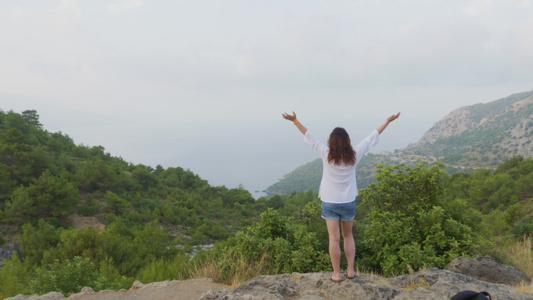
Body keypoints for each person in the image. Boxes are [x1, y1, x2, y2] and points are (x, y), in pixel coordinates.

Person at [282, 111, 400, 282]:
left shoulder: (326, 154)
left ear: (332, 141)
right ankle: (350, 271)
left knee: (333, 238)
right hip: (348, 202)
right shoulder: (354, 154)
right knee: (348, 236)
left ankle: (336, 274)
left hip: (330, 202)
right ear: (347, 141)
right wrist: (387, 121)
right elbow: (371, 137)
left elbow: (310, 137)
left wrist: (295, 121)